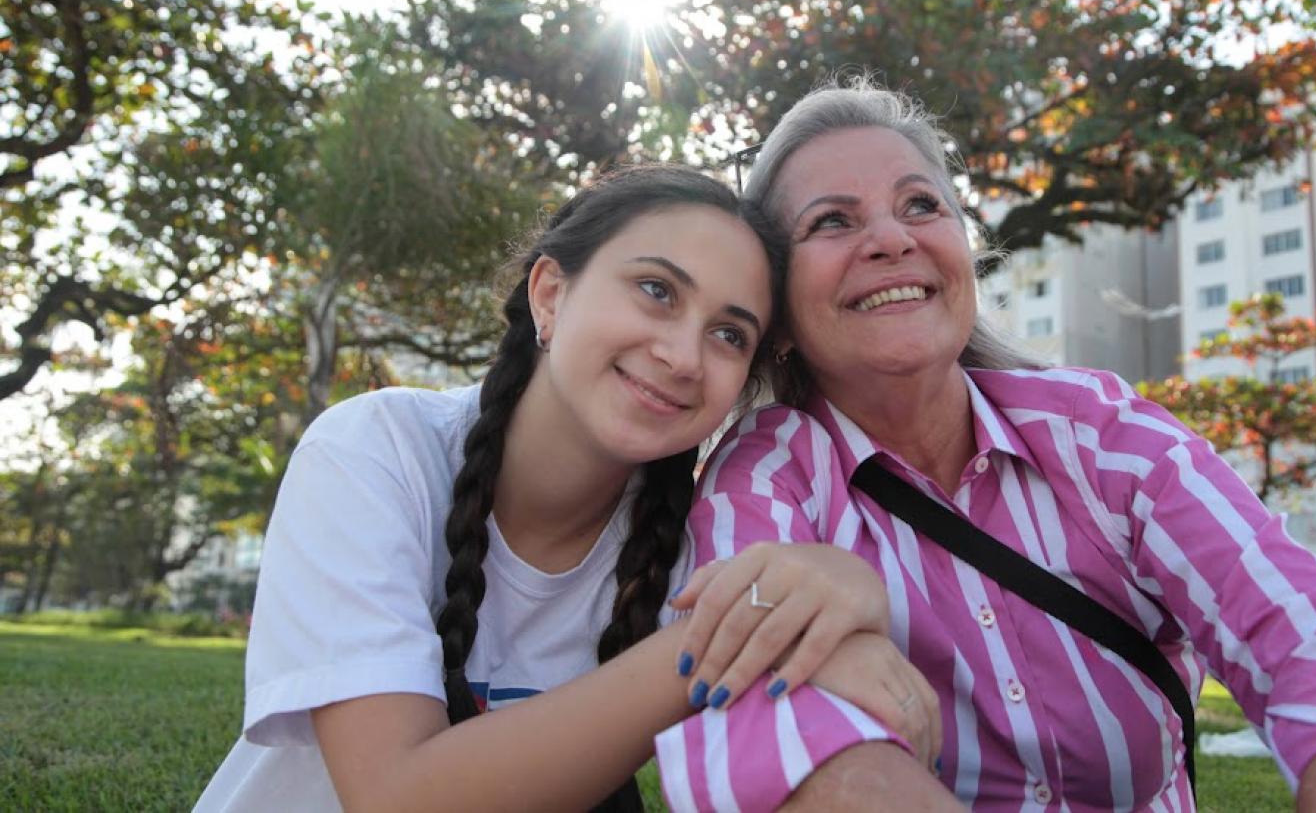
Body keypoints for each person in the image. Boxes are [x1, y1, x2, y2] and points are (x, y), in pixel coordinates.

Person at [654, 79, 1316, 811]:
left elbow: (1314, 642)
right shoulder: (765, 473)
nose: (891, 238)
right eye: (831, 222)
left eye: (921, 204)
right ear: (778, 316)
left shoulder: (1102, 435)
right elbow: (753, 722)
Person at [194, 165, 938, 812]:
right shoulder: (376, 451)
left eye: (729, 335)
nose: (683, 355)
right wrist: (732, 635)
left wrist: (845, 590)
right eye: (656, 290)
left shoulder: (687, 541)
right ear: (549, 294)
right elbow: (396, 796)